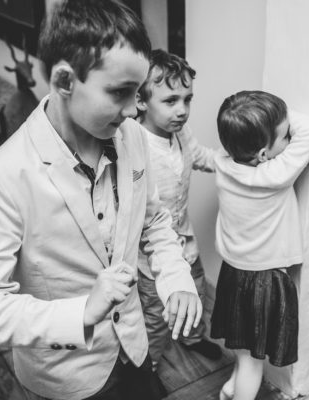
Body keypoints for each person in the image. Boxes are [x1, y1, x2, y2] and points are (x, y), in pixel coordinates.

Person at [0, 1, 202, 399]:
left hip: (135, 350)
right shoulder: (3, 173)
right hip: (67, 377)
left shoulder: (134, 137)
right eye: (120, 93)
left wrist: (176, 278)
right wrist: (81, 313)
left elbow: (153, 220)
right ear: (65, 81)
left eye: (138, 94)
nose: (133, 109)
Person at [210, 90, 309, 400]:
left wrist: (266, 125)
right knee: (252, 363)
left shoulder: (222, 161)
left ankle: (230, 388)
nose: (290, 142)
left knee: (243, 349)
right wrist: (289, 131)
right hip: (264, 280)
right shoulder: (276, 175)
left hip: (233, 273)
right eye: (285, 137)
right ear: (262, 155)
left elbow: (272, 143)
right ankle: (240, 392)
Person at [135, 49, 222, 369]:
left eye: (187, 99)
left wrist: (239, 161)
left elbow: (200, 156)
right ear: (141, 101)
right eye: (171, 100)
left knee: (195, 292)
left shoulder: (180, 132)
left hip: (186, 241)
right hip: (152, 256)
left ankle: (192, 337)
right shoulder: (135, 146)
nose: (182, 110)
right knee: (156, 316)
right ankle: (151, 365)